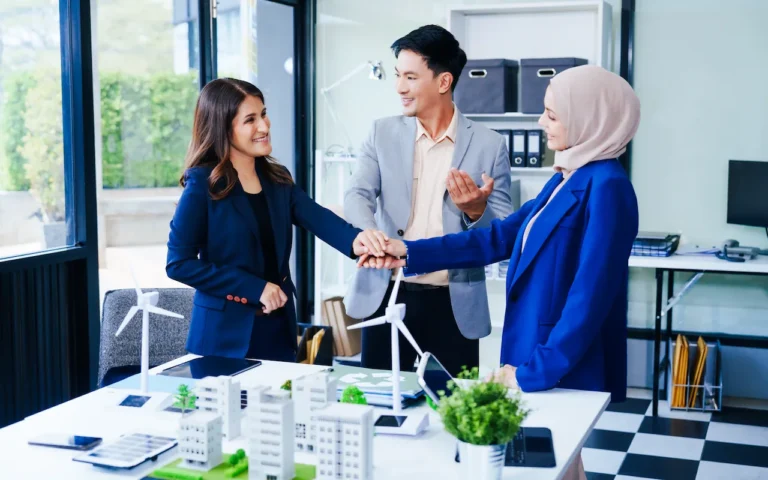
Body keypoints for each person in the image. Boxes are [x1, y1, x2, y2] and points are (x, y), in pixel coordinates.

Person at [363, 64, 641, 397]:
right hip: (531, 351)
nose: (541, 122)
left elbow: (590, 297)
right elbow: (497, 238)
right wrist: (409, 250)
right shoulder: (567, 176)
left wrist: (534, 372)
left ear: (589, 120)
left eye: (552, 116)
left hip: (557, 362)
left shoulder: (608, 187)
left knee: (557, 449)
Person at [166, 78, 388, 362]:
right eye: (250, 120)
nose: (264, 126)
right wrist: (254, 287)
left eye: (264, 114)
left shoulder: (277, 180)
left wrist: (361, 242)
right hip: (223, 336)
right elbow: (179, 263)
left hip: (277, 327)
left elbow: (319, 219)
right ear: (223, 128)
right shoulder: (203, 185)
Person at [342, 25, 514, 376]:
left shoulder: (489, 144)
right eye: (397, 76)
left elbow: (503, 232)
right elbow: (357, 193)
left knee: (450, 414)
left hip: (454, 303)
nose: (399, 88)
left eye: (410, 77)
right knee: (380, 410)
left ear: (443, 81)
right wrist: (370, 234)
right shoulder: (381, 132)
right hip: (386, 293)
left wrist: (475, 210)